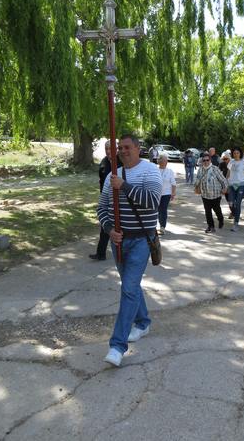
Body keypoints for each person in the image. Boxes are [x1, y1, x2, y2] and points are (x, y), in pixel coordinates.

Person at [97, 134, 162, 367]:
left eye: (127, 147)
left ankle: (117, 346)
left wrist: (123, 186)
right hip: (118, 242)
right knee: (130, 286)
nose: (123, 151)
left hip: (142, 241)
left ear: (137, 148)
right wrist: (109, 228)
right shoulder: (111, 177)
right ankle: (143, 322)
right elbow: (102, 208)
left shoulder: (150, 171)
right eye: (119, 148)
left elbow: (152, 201)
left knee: (129, 287)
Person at [89, 141, 123, 261]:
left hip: (121, 200)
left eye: (111, 149)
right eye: (106, 149)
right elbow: (101, 181)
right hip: (107, 199)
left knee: (121, 226)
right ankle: (101, 253)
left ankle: (123, 252)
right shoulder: (103, 163)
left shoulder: (122, 161)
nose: (108, 151)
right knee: (105, 226)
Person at [194, 152, 228, 233]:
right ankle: (211, 226)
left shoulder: (215, 169)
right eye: (204, 160)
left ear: (210, 160)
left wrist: (225, 188)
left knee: (217, 210)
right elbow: (197, 180)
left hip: (216, 194)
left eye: (207, 160)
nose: (206, 162)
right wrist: (196, 187)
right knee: (207, 211)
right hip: (205, 194)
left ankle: (221, 219)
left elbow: (223, 180)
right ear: (202, 161)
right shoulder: (201, 169)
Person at [227, 147, 244, 232]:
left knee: (237, 203)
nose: (236, 154)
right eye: (234, 153)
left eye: (237, 153)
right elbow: (228, 173)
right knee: (231, 203)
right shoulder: (231, 162)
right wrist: (225, 183)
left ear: (240, 153)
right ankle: (235, 213)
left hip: (241, 185)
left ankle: (236, 223)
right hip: (232, 185)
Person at [157, 154, 176, 234]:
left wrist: (173, 193)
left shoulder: (169, 171)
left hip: (166, 194)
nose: (166, 162)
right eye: (165, 161)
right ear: (160, 162)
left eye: (166, 161)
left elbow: (173, 183)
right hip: (157, 194)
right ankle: (160, 224)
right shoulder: (155, 170)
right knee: (157, 210)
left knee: (163, 210)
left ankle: (162, 227)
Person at [219, 151, 233, 218]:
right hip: (225, 184)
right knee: (228, 199)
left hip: (233, 184)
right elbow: (219, 173)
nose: (225, 160)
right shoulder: (222, 164)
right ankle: (233, 211)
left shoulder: (233, 163)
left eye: (226, 159)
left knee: (233, 199)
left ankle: (234, 212)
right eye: (223, 159)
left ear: (229, 158)